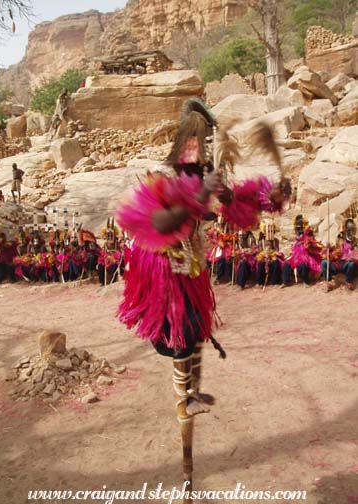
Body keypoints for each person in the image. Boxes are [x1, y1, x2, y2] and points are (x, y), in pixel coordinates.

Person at [117, 98, 291, 420]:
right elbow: (161, 223)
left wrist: (274, 196)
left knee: (196, 330)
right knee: (180, 331)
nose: (200, 155)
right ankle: (183, 400)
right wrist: (201, 196)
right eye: (195, 148)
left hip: (190, 267)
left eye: (204, 148)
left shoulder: (204, 177)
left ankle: (192, 392)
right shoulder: (167, 182)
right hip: (164, 269)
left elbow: (241, 204)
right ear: (185, 150)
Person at [282, 215, 322, 286]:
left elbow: (312, 243)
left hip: (306, 255)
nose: (299, 229)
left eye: (300, 227)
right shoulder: (297, 234)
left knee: (303, 265)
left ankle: (305, 281)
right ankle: (286, 282)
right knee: (286, 264)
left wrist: (305, 243)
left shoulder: (309, 233)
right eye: (297, 227)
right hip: (296, 256)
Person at [322, 218, 358, 291]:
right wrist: (329, 247)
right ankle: (329, 282)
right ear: (345, 229)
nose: (349, 231)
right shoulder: (339, 238)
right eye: (348, 229)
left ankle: (348, 281)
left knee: (351, 264)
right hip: (337, 264)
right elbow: (334, 249)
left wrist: (354, 258)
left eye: (351, 229)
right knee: (324, 263)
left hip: (347, 265)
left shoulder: (356, 241)